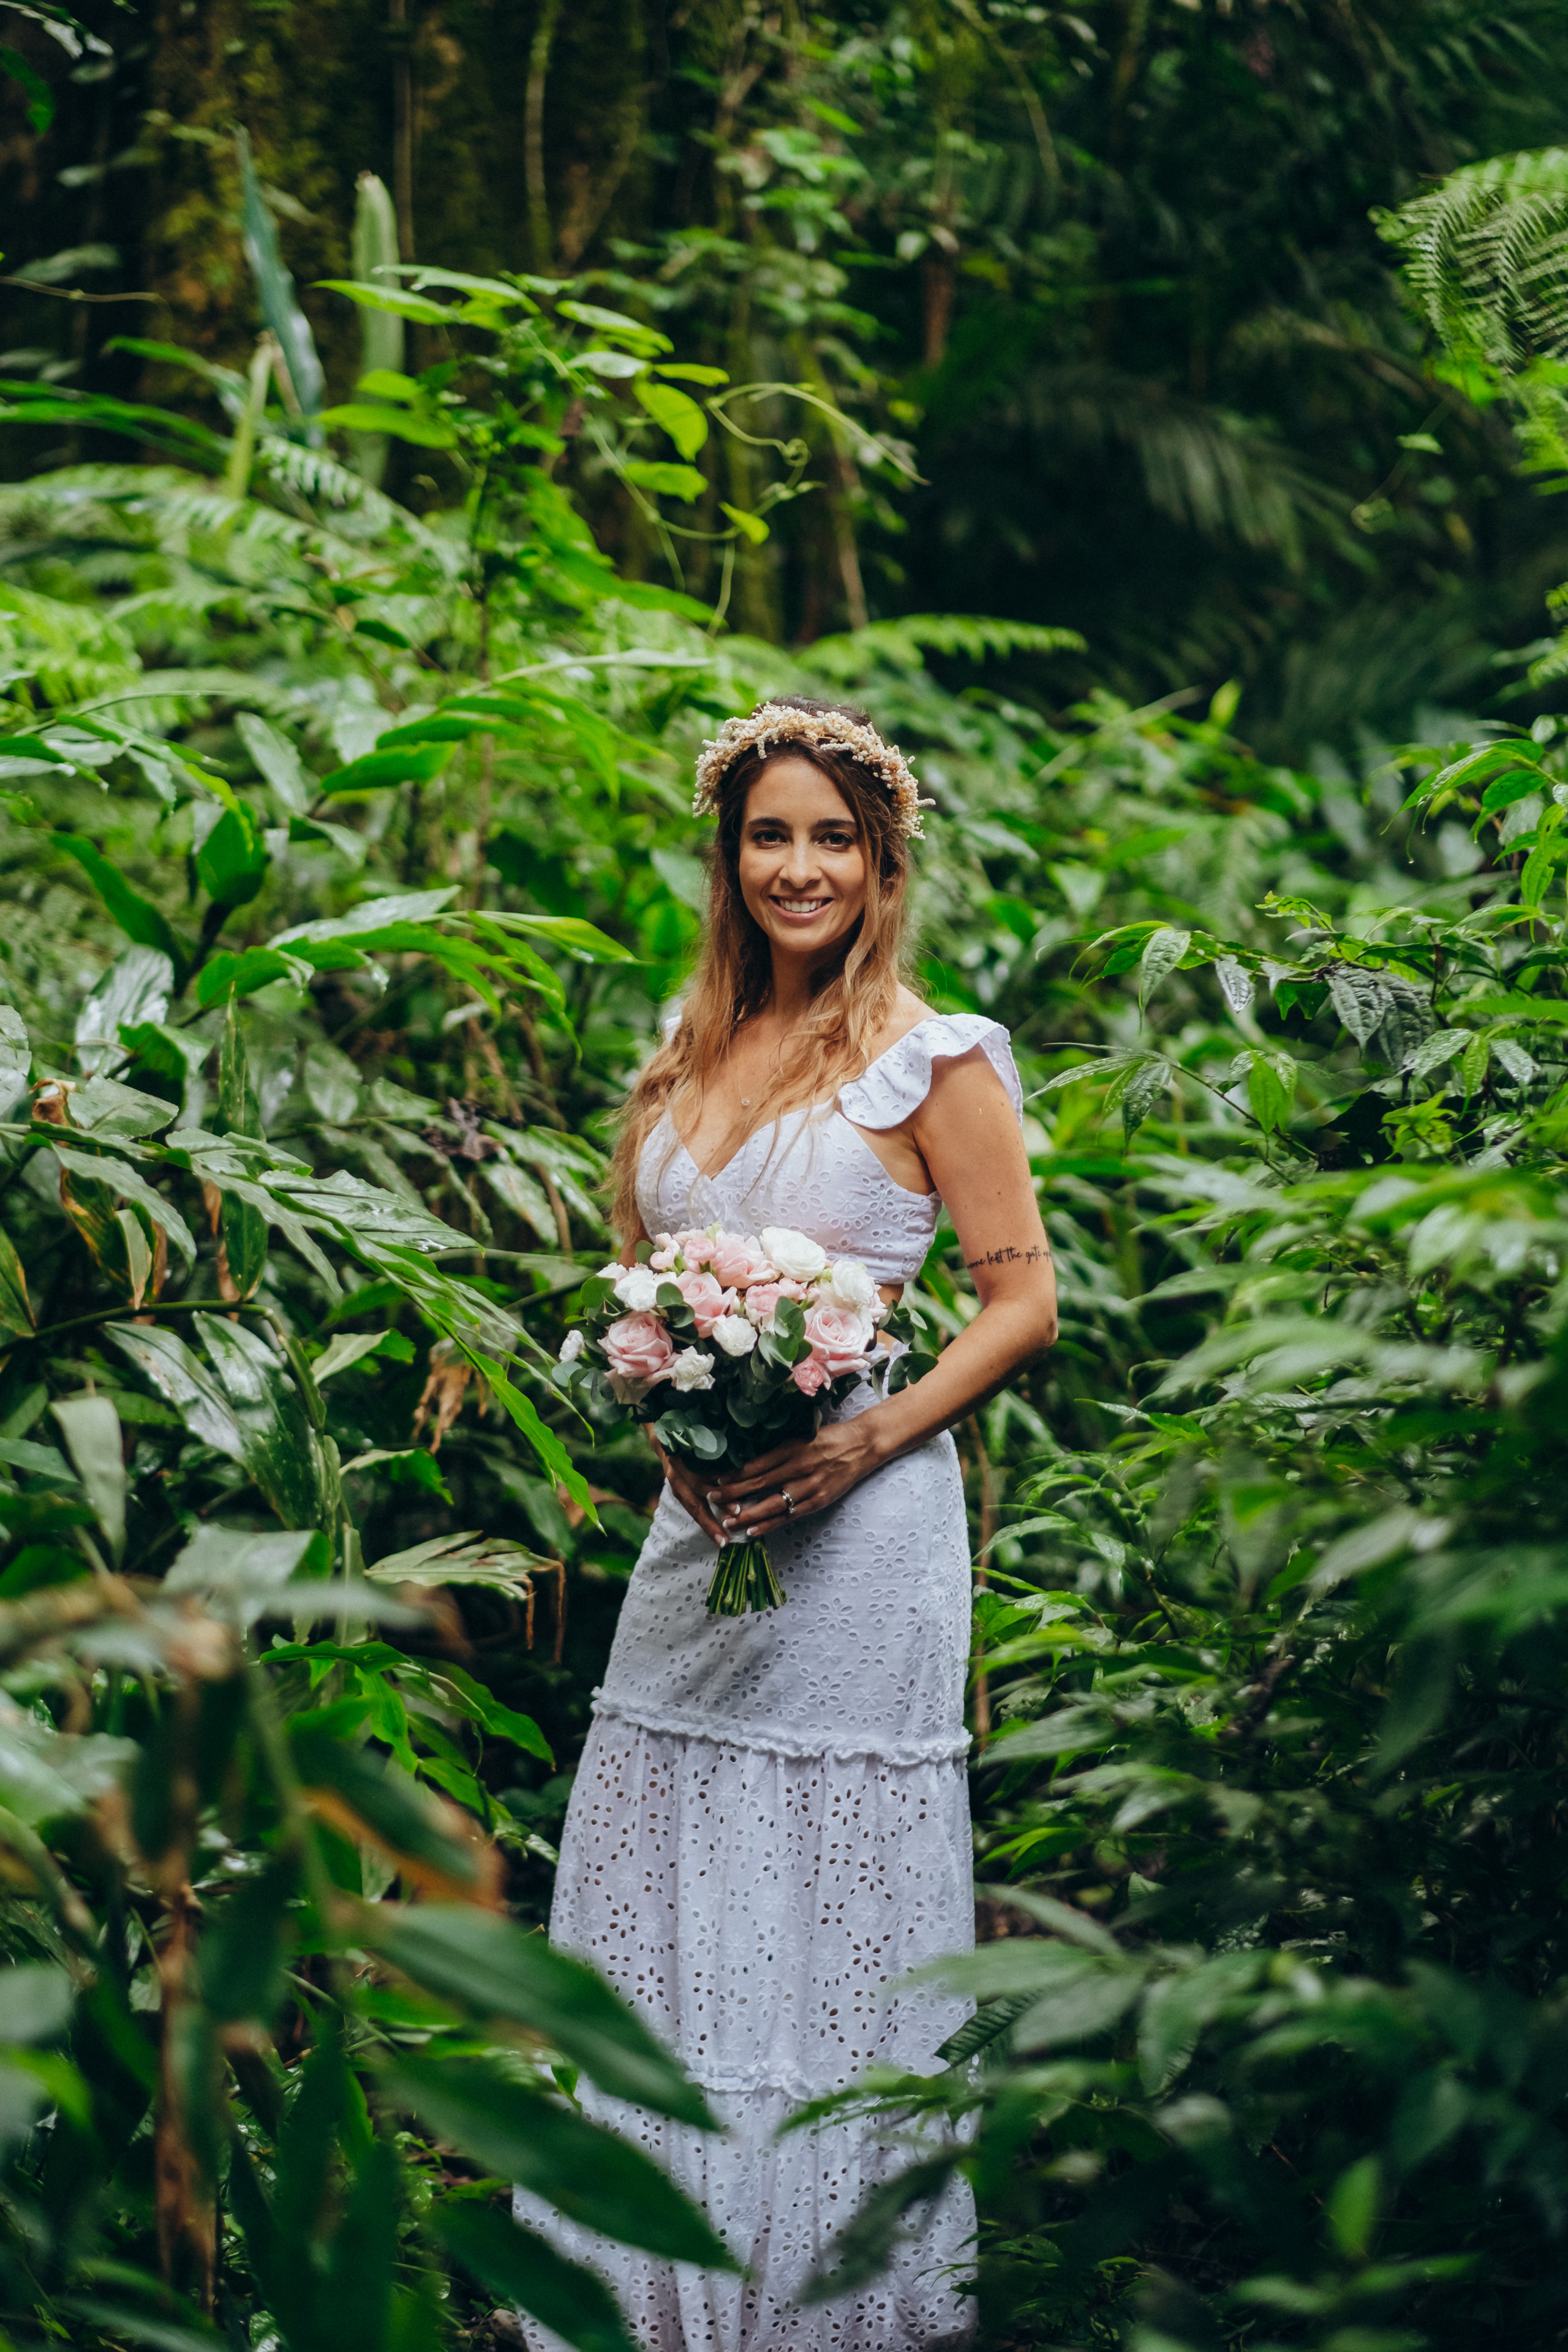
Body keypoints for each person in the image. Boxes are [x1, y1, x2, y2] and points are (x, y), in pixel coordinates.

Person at [519, 696, 1058, 2352]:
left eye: (833, 836)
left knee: (827, 1881)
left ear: (883, 860)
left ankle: (814, 2305)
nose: (798, 866)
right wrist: (678, 1425)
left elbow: (1021, 1299)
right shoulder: (684, 1052)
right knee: (660, 1846)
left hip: (864, 1531)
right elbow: (649, 1287)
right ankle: (647, 2289)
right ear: (729, 855)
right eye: (770, 835)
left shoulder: (935, 1058)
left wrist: (866, 1440)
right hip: (704, 1536)